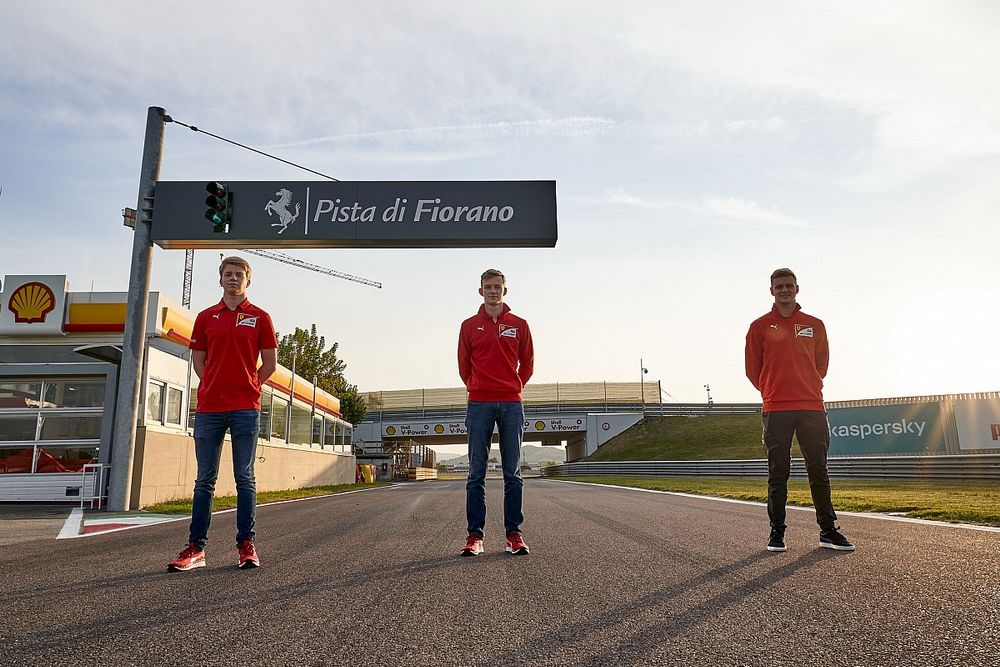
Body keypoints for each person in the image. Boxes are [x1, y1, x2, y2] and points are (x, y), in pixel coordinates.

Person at [168, 256, 277, 571]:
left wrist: (249, 386)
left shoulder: (261, 317)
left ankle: (246, 545)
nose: (233, 279)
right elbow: (199, 361)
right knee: (205, 480)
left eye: (239, 274)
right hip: (209, 409)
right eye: (228, 274)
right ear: (220, 279)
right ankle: (196, 549)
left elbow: (269, 365)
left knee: (245, 478)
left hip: (246, 408)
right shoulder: (205, 317)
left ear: (247, 280)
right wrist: (213, 386)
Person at [745, 268, 854, 553]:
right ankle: (777, 532)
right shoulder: (759, 326)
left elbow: (822, 365)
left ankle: (828, 531)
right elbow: (752, 369)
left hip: (812, 407)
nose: (784, 290)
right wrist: (772, 391)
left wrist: (806, 386)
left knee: (818, 469)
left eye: (788, 286)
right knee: (778, 472)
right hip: (776, 408)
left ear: (797, 288)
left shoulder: (814, 324)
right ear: (771, 290)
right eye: (779, 286)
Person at [457, 269, 534, 556]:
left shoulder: (520, 324)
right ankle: (474, 537)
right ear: (481, 291)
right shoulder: (468, 326)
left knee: (512, 473)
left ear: (505, 290)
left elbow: (527, 364)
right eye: (488, 287)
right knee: (476, 473)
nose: (492, 291)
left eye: (497, 287)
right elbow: (464, 366)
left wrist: (513, 387)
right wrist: (479, 388)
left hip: (512, 403)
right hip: (479, 403)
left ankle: (514, 534)